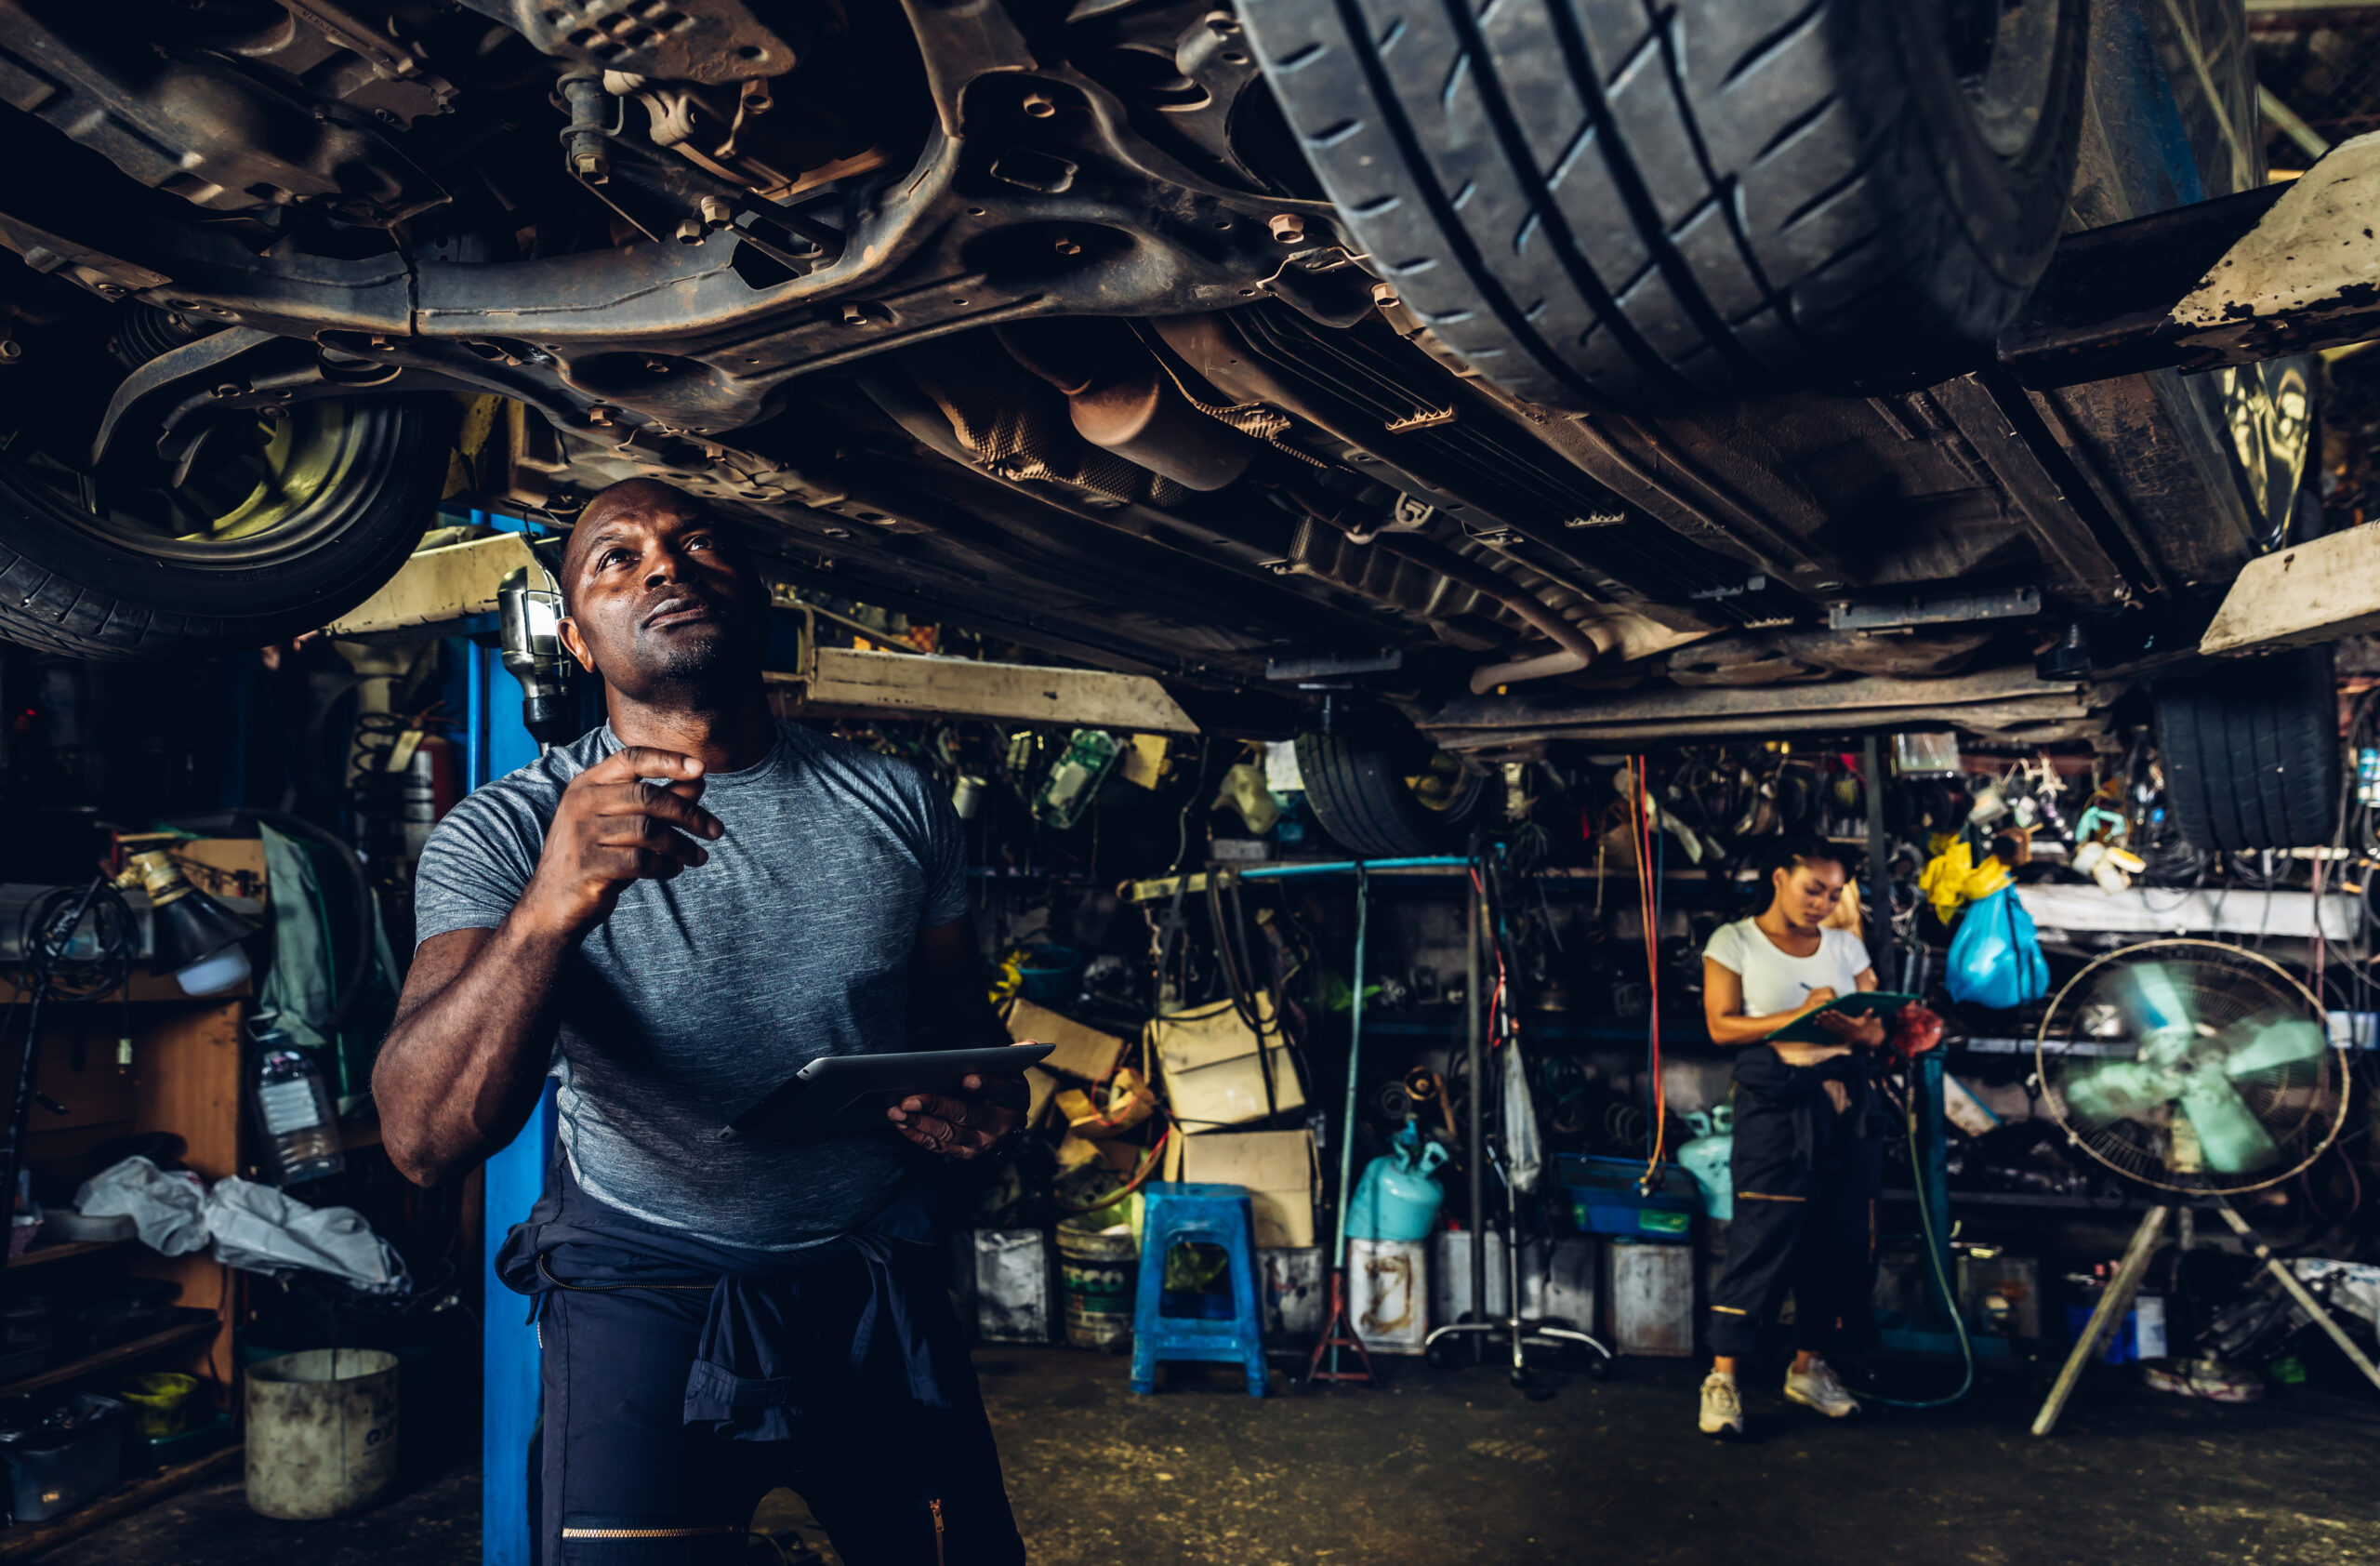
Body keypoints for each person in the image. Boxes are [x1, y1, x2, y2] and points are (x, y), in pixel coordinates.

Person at [373, 478, 1030, 1564]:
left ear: (756, 590)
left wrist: (981, 1107)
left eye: (695, 543)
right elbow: (421, 1136)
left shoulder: (900, 802)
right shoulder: (505, 831)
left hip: (870, 1272)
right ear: (579, 643)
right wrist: (550, 908)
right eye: (615, 560)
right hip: (647, 1279)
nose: (663, 567)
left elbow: (961, 1027)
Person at [1695, 835, 1886, 1439]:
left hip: (1844, 1109)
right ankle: (1723, 1377)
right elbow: (1722, 1028)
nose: (1823, 903)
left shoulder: (1846, 944)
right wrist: (1801, 1019)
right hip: (1776, 1113)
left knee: (1838, 1240)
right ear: (1780, 878)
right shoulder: (1734, 941)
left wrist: (1852, 1029)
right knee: (1763, 1237)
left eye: (1834, 894)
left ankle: (1808, 1367)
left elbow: (1877, 1032)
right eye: (1813, 889)